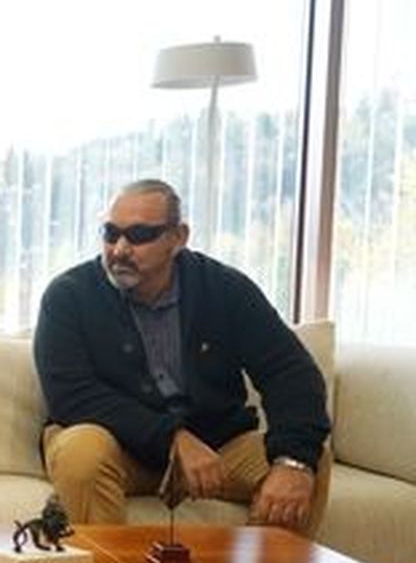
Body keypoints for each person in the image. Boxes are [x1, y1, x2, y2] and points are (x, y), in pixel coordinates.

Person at [33, 177, 331, 530]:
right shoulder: (69, 296)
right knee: (81, 453)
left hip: (214, 448)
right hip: (119, 448)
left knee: (307, 461)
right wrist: (173, 437)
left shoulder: (223, 288)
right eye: (111, 233)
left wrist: (293, 461)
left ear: (178, 238)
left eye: (140, 235)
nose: (120, 249)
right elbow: (73, 396)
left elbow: (290, 372)